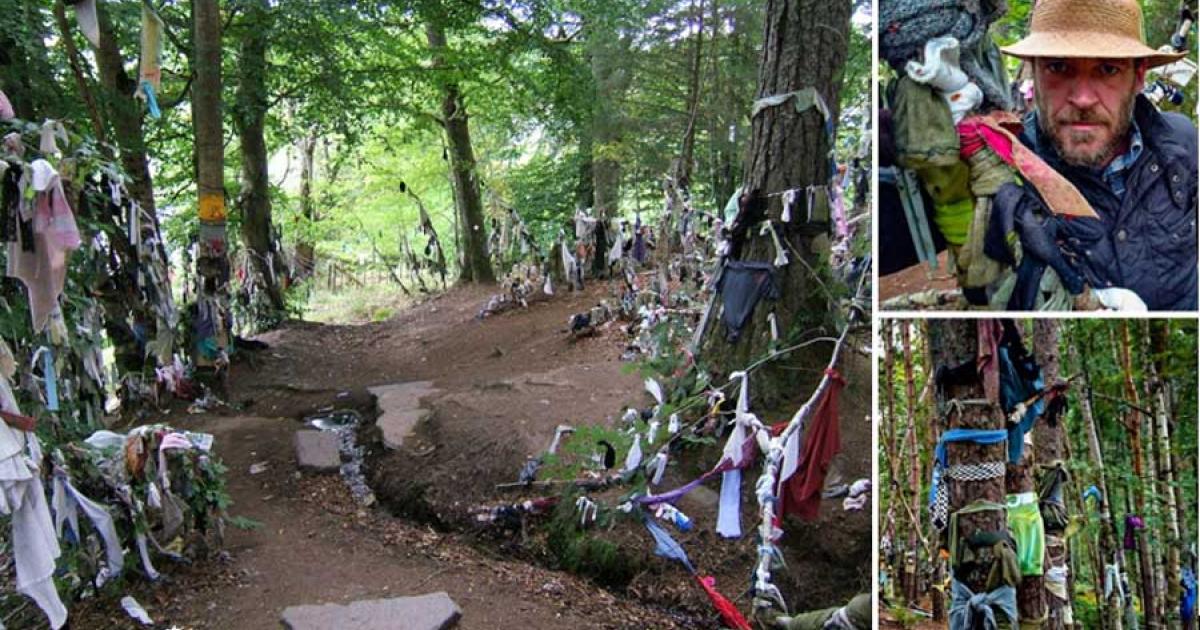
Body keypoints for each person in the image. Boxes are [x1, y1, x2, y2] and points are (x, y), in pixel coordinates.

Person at [998, 0, 1198, 310]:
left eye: (1107, 69)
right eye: (1058, 67)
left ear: (1139, 75)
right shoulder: (1005, 174)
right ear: (1033, 73)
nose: (1082, 98)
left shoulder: (1181, 144)